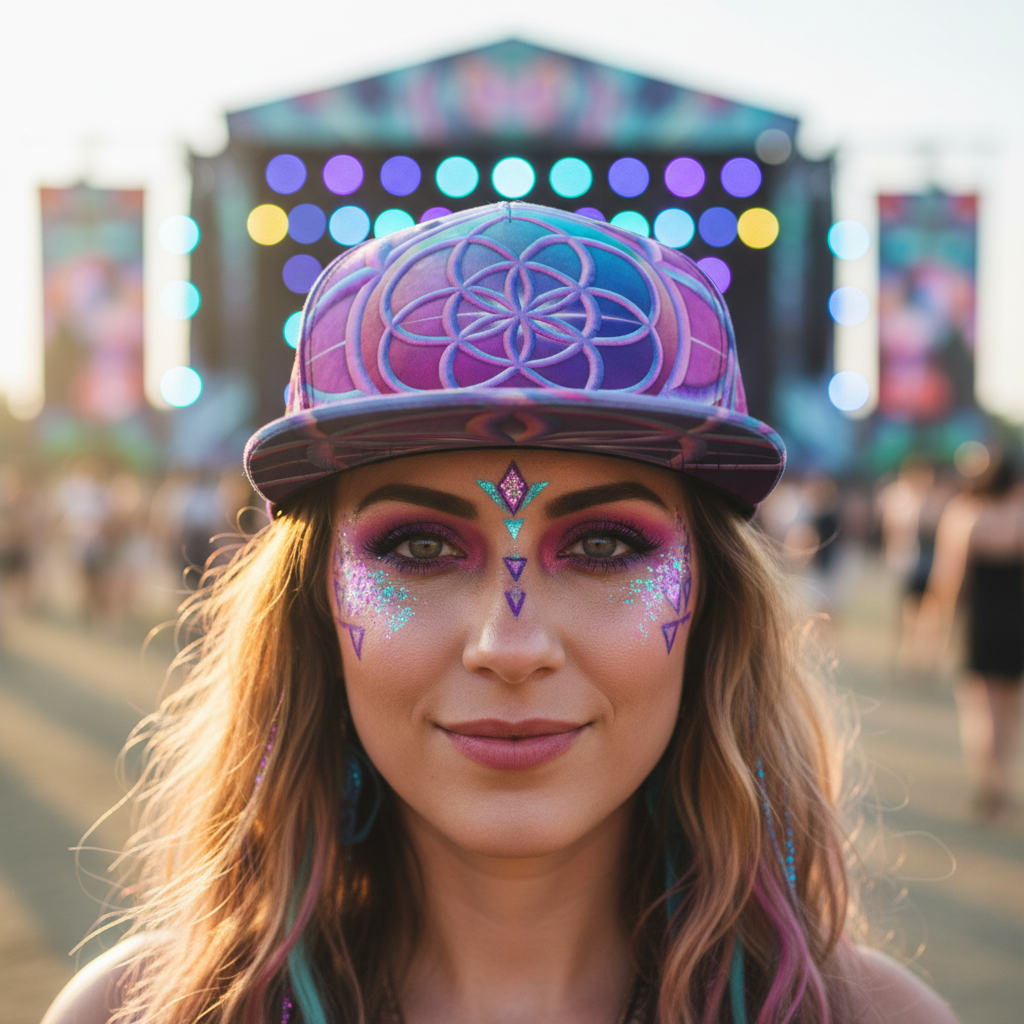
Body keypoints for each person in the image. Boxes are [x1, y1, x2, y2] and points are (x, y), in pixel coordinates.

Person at [42, 204, 956, 1024]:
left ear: (714, 602)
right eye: (419, 549)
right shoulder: (143, 1012)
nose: (510, 646)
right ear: (314, 604)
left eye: (605, 547)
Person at [929, 450, 1024, 821]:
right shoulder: (1019, 515)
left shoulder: (965, 514)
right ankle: (1001, 777)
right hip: (1016, 621)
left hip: (979, 622)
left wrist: (943, 625)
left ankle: (987, 782)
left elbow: (951, 579)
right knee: (1007, 708)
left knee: (979, 708)